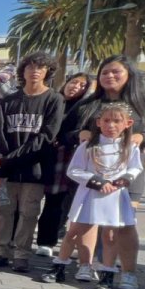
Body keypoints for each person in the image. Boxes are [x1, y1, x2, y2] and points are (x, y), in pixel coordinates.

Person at [66, 55, 145, 289]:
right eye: (104, 72)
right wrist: (78, 134)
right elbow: (65, 132)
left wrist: (144, 137)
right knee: (87, 221)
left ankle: (128, 272)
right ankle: (87, 266)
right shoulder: (87, 104)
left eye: (116, 72)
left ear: (129, 75)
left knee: (124, 225)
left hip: (127, 177)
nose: (109, 76)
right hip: (92, 175)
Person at [42, 103, 143, 289]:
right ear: (98, 122)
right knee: (74, 232)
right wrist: (96, 181)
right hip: (89, 195)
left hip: (114, 196)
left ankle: (107, 275)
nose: (111, 125)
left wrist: (125, 178)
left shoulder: (130, 148)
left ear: (127, 123)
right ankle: (59, 266)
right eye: (106, 120)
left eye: (116, 121)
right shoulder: (88, 146)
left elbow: (135, 167)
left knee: (110, 236)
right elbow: (74, 170)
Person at [0, 51, 64, 273]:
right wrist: (1, 164)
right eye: (30, 67)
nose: (35, 71)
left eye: (40, 67)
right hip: (6, 171)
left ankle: (21, 254)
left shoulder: (54, 99)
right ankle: (0, 251)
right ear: (22, 72)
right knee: (1, 210)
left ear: (48, 71)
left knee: (28, 214)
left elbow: (46, 137)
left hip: (35, 170)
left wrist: (9, 160)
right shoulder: (8, 101)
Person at [37, 72, 93, 257]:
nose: (76, 86)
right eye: (73, 82)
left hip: (68, 157)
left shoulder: (84, 108)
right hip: (46, 156)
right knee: (42, 201)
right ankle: (34, 240)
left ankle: (56, 242)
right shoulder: (53, 100)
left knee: (63, 203)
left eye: (82, 85)